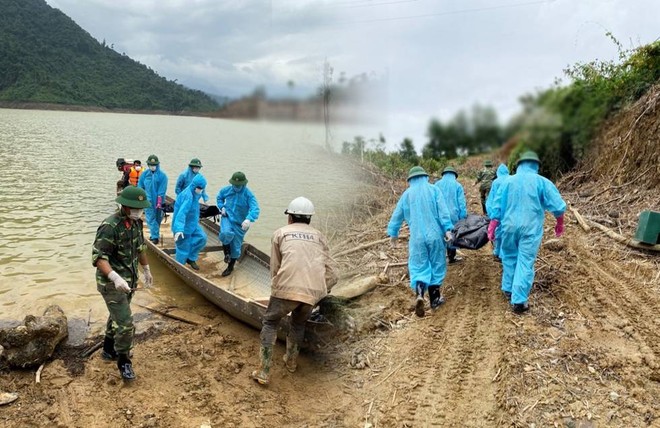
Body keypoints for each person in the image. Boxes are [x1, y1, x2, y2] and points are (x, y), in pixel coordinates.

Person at [251, 197, 337, 386]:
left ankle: (264, 370)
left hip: (287, 288)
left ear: (289, 217)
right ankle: (291, 362)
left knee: (270, 322)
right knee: (298, 325)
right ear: (309, 219)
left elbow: (275, 267)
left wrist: (276, 288)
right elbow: (331, 272)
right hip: (313, 291)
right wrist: (322, 291)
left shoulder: (280, 233)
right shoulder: (319, 236)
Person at [487, 151, 566, 314]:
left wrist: (493, 226)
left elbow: (497, 206)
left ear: (518, 166)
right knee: (525, 260)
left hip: (508, 227)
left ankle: (508, 288)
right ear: (536, 165)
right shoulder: (542, 182)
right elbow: (558, 206)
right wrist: (559, 224)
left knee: (509, 256)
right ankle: (519, 301)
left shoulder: (507, 182)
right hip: (530, 229)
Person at [92, 186, 154, 381]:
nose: (138, 211)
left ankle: (108, 350)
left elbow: (141, 247)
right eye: (135, 208)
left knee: (117, 316)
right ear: (125, 206)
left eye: (141, 208)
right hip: (111, 284)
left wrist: (146, 269)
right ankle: (124, 362)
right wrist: (115, 277)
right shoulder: (110, 226)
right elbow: (99, 257)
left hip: (130, 281)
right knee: (126, 324)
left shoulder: (136, 223)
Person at [388, 166, 454, 317]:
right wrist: (448, 230)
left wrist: (393, 234)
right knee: (437, 264)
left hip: (416, 239)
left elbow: (397, 215)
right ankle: (435, 300)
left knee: (418, 266)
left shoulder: (406, 195)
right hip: (435, 235)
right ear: (425, 177)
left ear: (410, 180)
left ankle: (419, 294)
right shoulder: (434, 190)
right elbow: (443, 212)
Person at [216, 171, 260, 277]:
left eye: (238, 185)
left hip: (241, 223)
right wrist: (222, 207)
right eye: (234, 185)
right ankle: (226, 254)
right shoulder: (226, 190)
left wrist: (249, 219)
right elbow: (219, 197)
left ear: (243, 184)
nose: (236, 187)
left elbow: (255, 208)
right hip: (227, 217)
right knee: (225, 233)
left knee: (235, 246)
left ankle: (230, 266)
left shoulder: (248, 195)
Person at [172, 174, 208, 270]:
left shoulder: (196, 191)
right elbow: (181, 214)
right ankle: (179, 268)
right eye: (199, 188)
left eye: (202, 188)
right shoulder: (187, 196)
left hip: (192, 223)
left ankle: (191, 257)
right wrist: (179, 229)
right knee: (183, 248)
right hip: (182, 226)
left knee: (202, 238)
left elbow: (202, 190)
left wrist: (204, 195)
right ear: (194, 186)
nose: (200, 190)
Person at [435, 165, 467, 263]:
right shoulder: (457, 185)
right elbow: (461, 203)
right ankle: (451, 257)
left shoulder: (436, 185)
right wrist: (463, 218)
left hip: (439, 215)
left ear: (443, 174)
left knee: (440, 234)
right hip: (454, 215)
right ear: (454, 175)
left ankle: (440, 258)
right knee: (452, 235)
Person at [137, 154, 168, 244]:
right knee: (150, 218)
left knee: (158, 219)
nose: (152, 166)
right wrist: (141, 197)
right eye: (150, 165)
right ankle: (155, 237)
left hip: (159, 201)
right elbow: (140, 186)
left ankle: (154, 234)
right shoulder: (145, 174)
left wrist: (159, 202)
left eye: (154, 165)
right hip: (148, 200)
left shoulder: (163, 176)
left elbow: (162, 191)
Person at [485, 163, 510, 260]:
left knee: (498, 232)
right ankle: (505, 254)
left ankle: (497, 252)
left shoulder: (496, 182)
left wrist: (491, 213)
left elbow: (492, 198)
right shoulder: (512, 180)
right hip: (510, 211)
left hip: (499, 210)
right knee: (507, 233)